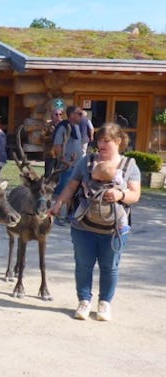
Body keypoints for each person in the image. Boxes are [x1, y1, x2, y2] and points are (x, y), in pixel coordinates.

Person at [50, 122, 140, 321]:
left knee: (110, 267)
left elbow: (135, 195)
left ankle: (104, 304)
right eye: (99, 140)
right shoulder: (86, 161)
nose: (101, 144)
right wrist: (57, 205)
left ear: (118, 141)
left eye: (106, 140)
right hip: (83, 225)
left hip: (115, 229)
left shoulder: (129, 165)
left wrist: (120, 194)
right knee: (83, 265)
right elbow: (71, 187)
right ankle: (84, 301)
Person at [53, 105, 84, 225]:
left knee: (73, 192)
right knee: (62, 190)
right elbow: (57, 146)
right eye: (79, 114)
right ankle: (57, 215)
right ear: (71, 115)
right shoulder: (63, 128)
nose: (81, 116)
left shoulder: (76, 127)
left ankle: (68, 215)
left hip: (76, 166)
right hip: (66, 166)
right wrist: (64, 161)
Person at [83, 160, 130, 234]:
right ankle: (123, 225)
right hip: (112, 208)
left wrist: (84, 186)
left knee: (83, 204)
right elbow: (123, 188)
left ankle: (77, 216)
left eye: (94, 172)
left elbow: (87, 192)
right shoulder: (114, 185)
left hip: (93, 209)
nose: (92, 173)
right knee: (122, 213)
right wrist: (124, 192)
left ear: (100, 178)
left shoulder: (92, 184)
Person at [41, 108, 63, 178]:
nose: (58, 116)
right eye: (56, 114)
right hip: (50, 154)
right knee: (48, 174)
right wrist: (52, 137)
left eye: (60, 114)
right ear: (52, 116)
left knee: (59, 175)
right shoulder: (47, 125)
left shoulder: (63, 126)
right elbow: (42, 137)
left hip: (60, 154)